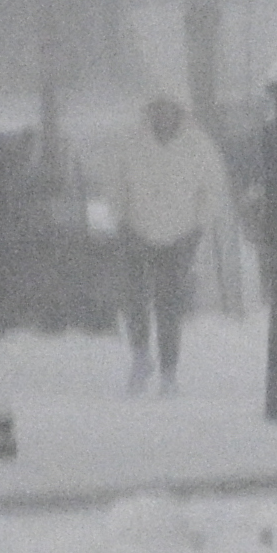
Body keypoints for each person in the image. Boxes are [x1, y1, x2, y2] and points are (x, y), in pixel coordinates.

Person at [103, 86, 229, 390]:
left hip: (179, 235)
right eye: (156, 109)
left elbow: (214, 188)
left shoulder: (198, 145)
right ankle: (140, 357)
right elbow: (115, 181)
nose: (162, 115)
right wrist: (120, 219)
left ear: (178, 112)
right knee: (134, 299)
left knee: (169, 305)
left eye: (168, 109)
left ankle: (169, 370)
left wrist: (198, 226)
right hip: (136, 231)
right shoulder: (131, 142)